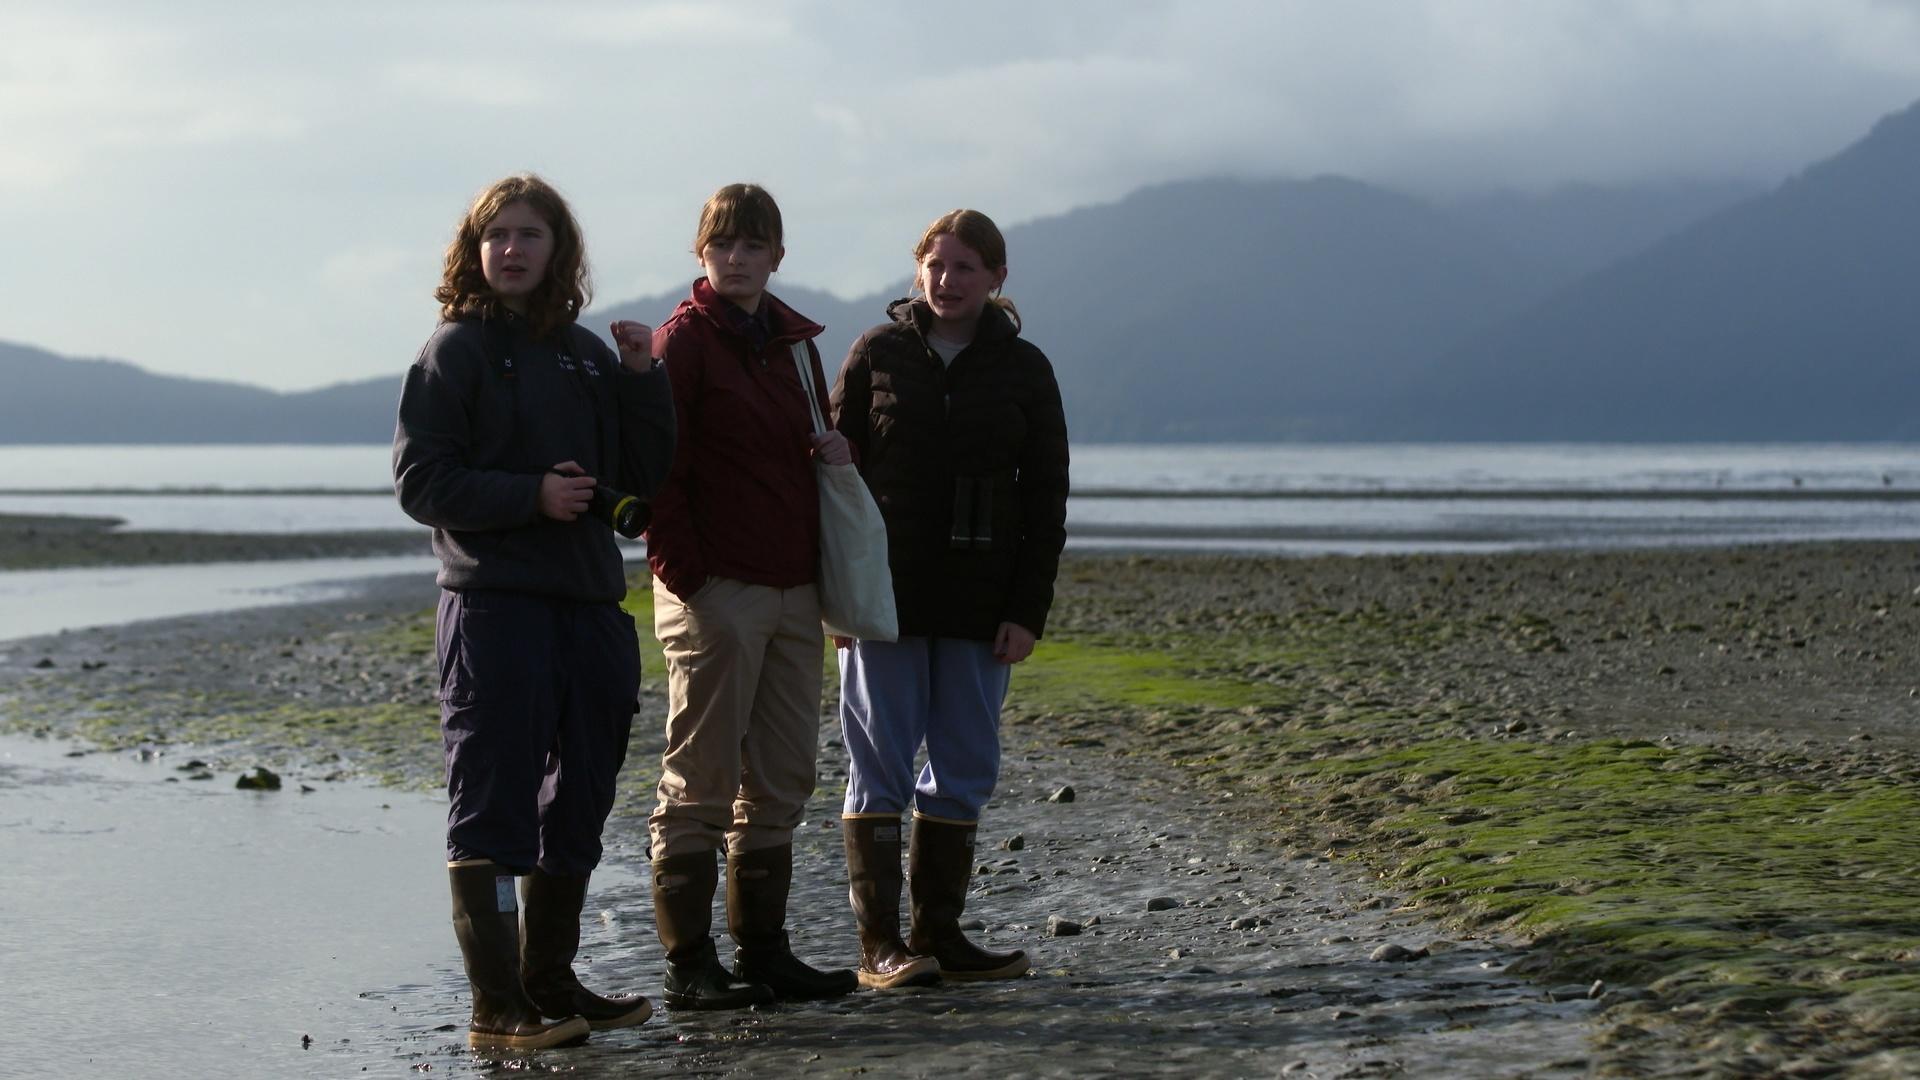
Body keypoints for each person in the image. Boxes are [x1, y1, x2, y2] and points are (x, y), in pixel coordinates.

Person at [394, 174, 676, 1050]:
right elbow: (421, 483)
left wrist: (640, 382)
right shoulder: (455, 350)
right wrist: (530, 496)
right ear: (475, 250)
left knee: (581, 798)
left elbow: (645, 478)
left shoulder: (589, 354)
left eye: (530, 235)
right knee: (493, 805)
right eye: (497, 235)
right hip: (494, 606)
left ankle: (551, 983)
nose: (511, 249)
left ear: (561, 250)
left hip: (590, 605)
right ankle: (497, 1008)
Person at [830, 208, 1070, 988]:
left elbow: (1047, 500)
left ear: (997, 278)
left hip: (981, 601)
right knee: (879, 769)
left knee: (964, 766)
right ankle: (879, 950)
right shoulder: (878, 354)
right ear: (917, 270)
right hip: (882, 601)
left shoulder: (1024, 368)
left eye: (967, 266)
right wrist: (837, 599)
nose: (948, 279)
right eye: (936, 263)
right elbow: (833, 486)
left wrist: (1026, 612)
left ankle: (940, 936)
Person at [643, 183, 859, 1008]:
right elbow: (659, 471)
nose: (736, 259)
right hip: (715, 589)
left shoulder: (797, 346)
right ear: (702, 254)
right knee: (697, 784)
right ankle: (690, 967)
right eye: (721, 245)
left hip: (795, 585)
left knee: (780, 779)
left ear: (777, 254)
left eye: (752, 245)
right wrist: (690, 576)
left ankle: (764, 954)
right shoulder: (683, 344)